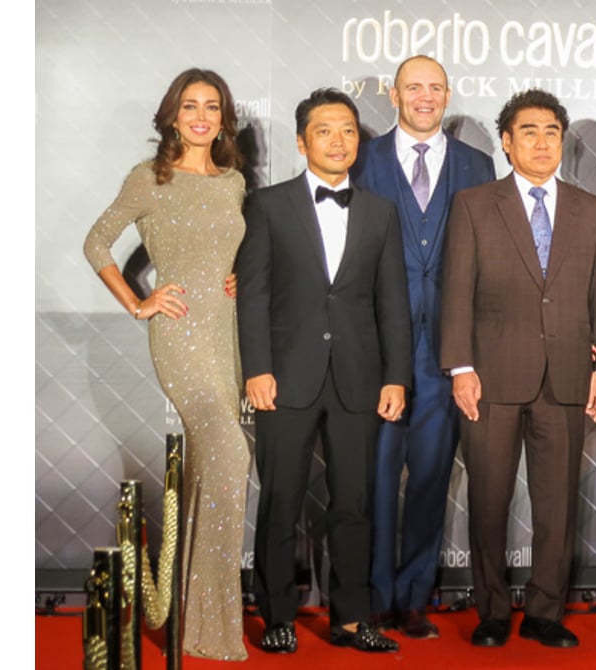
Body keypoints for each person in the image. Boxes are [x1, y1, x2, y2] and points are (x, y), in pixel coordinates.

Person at [235, 87, 411, 654]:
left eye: (348, 131)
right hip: (286, 377)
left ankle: (353, 619)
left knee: (355, 505)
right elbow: (254, 295)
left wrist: (396, 376)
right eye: (324, 131)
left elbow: (393, 303)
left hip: (360, 378)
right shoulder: (268, 205)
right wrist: (257, 368)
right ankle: (277, 616)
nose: (338, 141)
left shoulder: (381, 212)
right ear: (300, 141)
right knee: (280, 501)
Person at [83, 68, 250, 661]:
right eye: (190, 106)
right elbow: (96, 242)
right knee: (232, 455)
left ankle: (195, 620)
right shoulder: (148, 178)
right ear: (173, 116)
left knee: (210, 468)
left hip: (226, 332)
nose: (201, 116)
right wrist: (139, 302)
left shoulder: (233, 182)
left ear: (224, 119)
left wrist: (237, 276)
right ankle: (208, 623)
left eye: (212, 106)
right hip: (180, 333)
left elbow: (225, 248)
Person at [440, 89, 596, 649]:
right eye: (529, 132)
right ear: (507, 142)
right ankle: (492, 611)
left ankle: (545, 612)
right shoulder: (474, 204)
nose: (542, 143)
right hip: (490, 378)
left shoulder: (592, 210)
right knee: (489, 500)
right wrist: (460, 367)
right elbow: (456, 291)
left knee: (557, 506)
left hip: (566, 376)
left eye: (552, 132)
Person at [351, 55, 495, 640]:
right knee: (377, 479)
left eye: (435, 87)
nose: (425, 97)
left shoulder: (478, 165)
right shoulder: (361, 159)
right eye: (414, 87)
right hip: (377, 349)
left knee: (433, 478)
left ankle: (413, 597)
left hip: (448, 353)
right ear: (394, 95)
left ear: (448, 94)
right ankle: (374, 596)